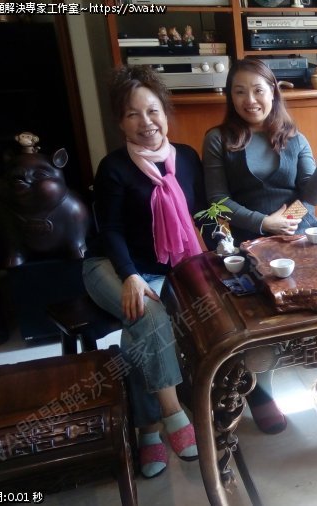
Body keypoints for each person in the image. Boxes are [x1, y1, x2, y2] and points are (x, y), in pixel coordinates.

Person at [202, 57, 317, 434]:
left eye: (258, 90)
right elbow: (217, 200)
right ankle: (262, 390)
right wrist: (264, 223)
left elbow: (311, 195)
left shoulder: (294, 137)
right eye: (240, 92)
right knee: (262, 317)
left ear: (273, 92)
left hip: (301, 234)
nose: (250, 100)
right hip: (251, 240)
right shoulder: (218, 139)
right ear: (230, 96)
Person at [83, 65, 206, 479]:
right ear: (120, 123)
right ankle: (173, 414)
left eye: (152, 110)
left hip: (167, 267)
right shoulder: (114, 167)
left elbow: (202, 213)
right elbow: (111, 230)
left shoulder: (187, 158)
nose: (146, 122)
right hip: (110, 265)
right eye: (133, 114)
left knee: (139, 335)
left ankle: (146, 431)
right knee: (148, 315)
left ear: (165, 113)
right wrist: (131, 275)